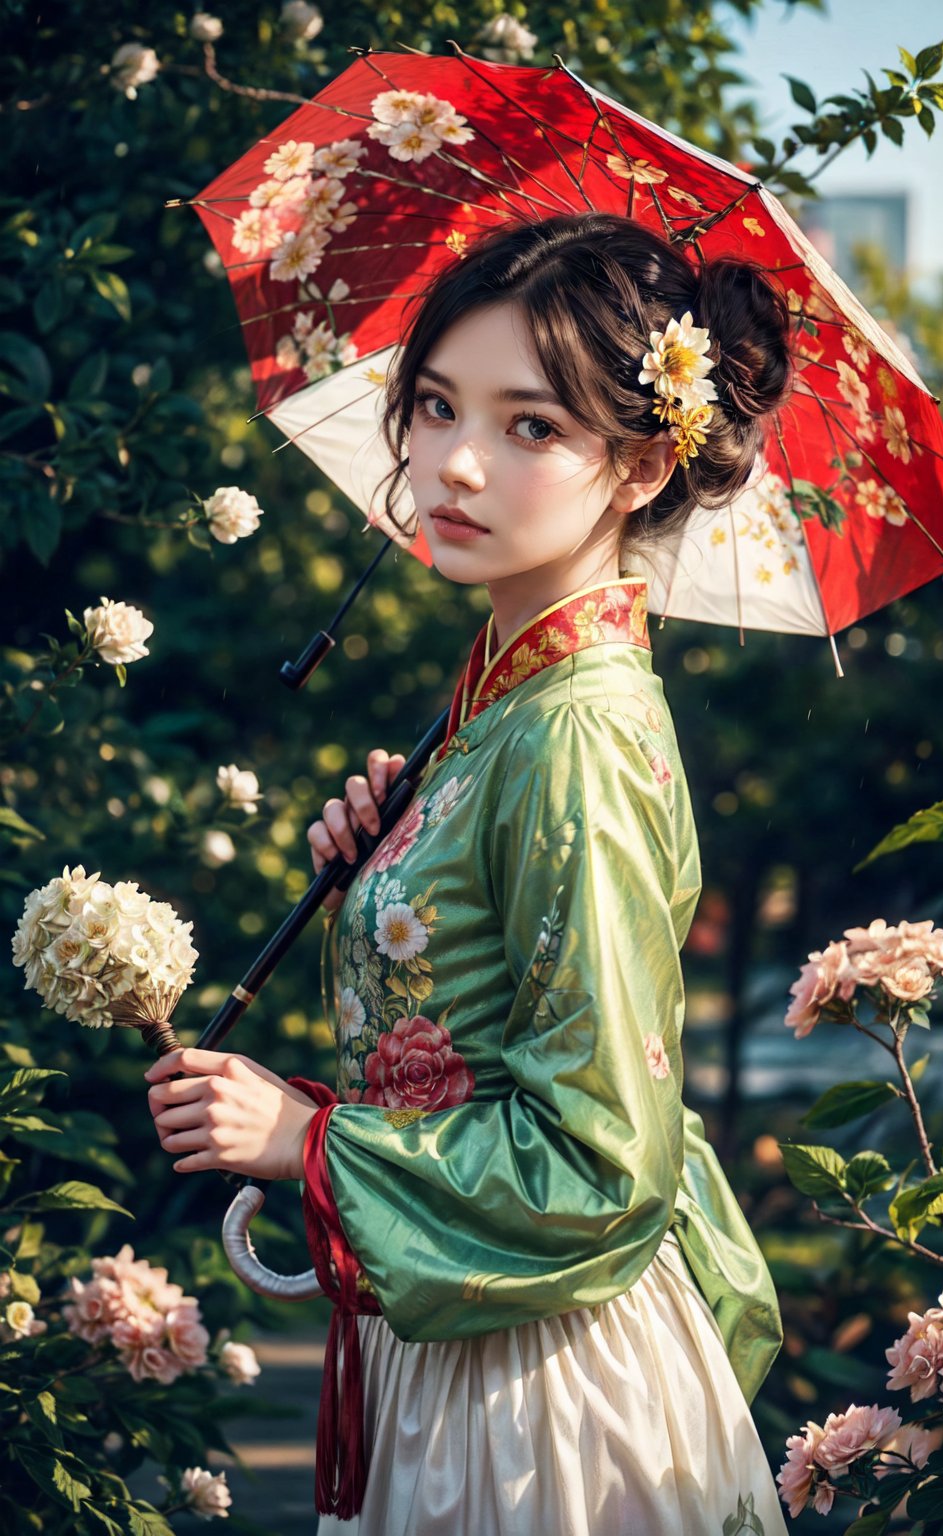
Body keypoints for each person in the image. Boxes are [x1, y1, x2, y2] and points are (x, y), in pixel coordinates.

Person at [145, 211, 792, 1535]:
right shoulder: (510, 703)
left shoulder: (572, 733)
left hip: (538, 1397)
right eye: (437, 406)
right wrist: (401, 877)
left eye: (532, 427)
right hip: (469, 1339)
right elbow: (480, 1040)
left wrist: (303, 1139)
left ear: (642, 463)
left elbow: (602, 1163)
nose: (453, 463)